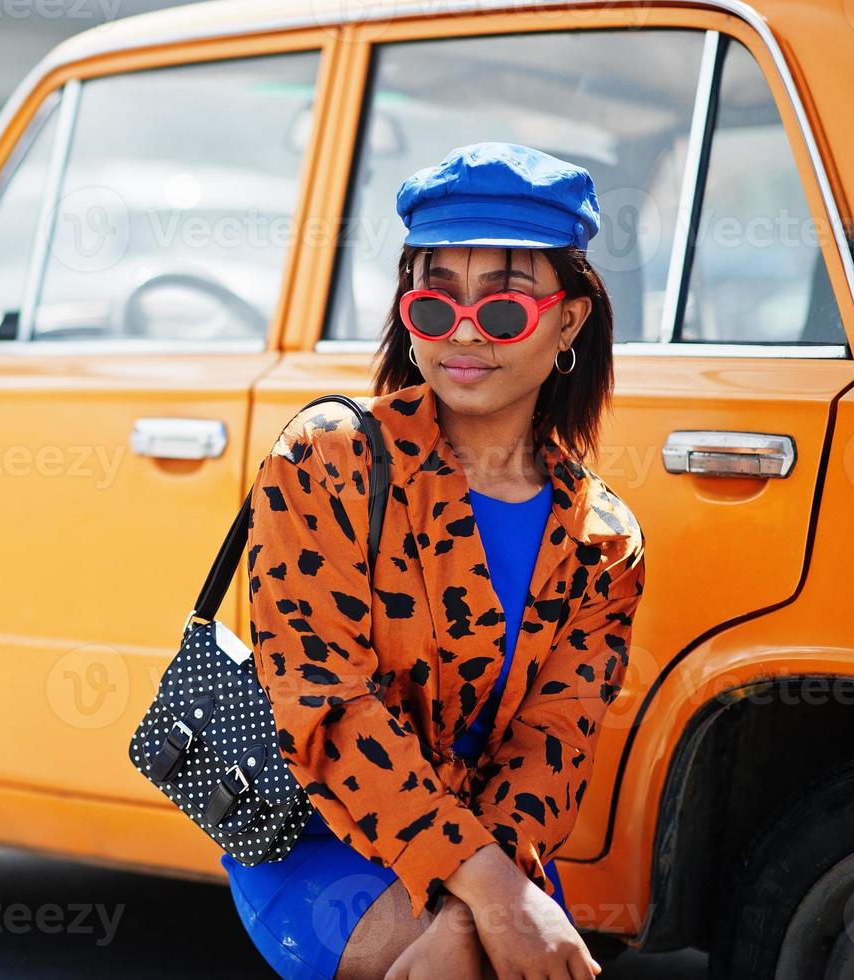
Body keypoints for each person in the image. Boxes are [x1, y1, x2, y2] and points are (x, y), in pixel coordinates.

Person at [220, 141, 648, 979]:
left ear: (567, 320)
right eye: (433, 301)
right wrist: (488, 897)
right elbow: (323, 706)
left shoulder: (602, 537)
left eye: (502, 308)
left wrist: (476, 901)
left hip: (494, 842)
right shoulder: (326, 457)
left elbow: (552, 743)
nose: (461, 331)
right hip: (313, 828)